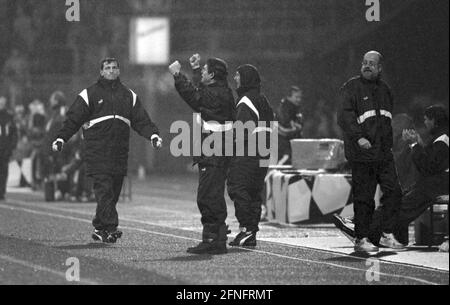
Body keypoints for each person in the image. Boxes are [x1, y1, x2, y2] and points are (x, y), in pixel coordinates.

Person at [52, 58, 162, 243]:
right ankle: (111, 228)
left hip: (119, 152)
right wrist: (61, 138)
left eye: (114, 68)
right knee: (104, 190)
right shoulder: (89, 94)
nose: (111, 71)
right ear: (101, 72)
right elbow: (73, 119)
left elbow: (141, 120)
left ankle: (100, 226)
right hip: (97, 151)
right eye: (107, 68)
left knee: (113, 192)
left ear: (119, 71)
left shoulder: (129, 95)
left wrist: (153, 135)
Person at [334, 105, 449, 250]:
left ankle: (360, 228)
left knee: (399, 206)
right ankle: (362, 227)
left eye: (426, 120)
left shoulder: (443, 139)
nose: (425, 124)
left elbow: (427, 167)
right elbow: (431, 164)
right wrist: (418, 145)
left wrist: (414, 144)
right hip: (436, 183)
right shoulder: (441, 138)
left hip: (438, 184)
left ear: (434, 120)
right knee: (399, 204)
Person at [337, 50, 403, 253]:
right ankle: (361, 238)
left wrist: (389, 145)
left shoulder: (385, 90)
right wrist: (359, 137)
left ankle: (386, 233)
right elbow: (344, 117)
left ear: (380, 67)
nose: (367, 66)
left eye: (371, 63)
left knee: (394, 192)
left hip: (383, 153)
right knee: (364, 198)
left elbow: (387, 121)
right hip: (362, 154)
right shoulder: (351, 87)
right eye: (364, 62)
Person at [169, 54, 235, 254]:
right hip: (218, 150)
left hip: (214, 150)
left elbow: (196, 98)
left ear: (213, 75)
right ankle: (217, 238)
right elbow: (202, 92)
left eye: (205, 70)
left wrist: (179, 75)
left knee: (208, 197)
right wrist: (196, 69)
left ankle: (213, 240)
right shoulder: (221, 91)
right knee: (213, 195)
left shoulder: (216, 94)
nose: (202, 73)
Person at [227, 64, 274, 247]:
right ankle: (250, 232)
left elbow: (241, 131)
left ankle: (246, 228)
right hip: (264, 152)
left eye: (238, 75)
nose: (235, 78)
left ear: (246, 78)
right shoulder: (263, 99)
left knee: (238, 188)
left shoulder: (246, 101)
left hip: (248, 153)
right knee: (254, 191)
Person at [275, 86, 303, 164]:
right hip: (283, 143)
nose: (299, 100)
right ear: (289, 97)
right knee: (285, 159)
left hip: (289, 143)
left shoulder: (295, 109)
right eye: (296, 97)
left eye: (300, 97)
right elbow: (284, 127)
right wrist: (296, 128)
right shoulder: (284, 109)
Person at [0, 96, 18, 201]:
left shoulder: (9, 117)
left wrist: (12, 146)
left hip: (5, 148)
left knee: (3, 170)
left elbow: (14, 133)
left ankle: (1, 191)